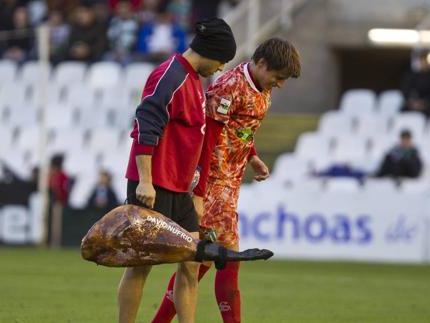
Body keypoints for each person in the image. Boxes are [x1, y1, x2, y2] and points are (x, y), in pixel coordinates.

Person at [151, 37, 301, 323]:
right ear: (261, 64)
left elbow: (241, 128)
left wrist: (252, 156)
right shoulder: (229, 86)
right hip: (211, 184)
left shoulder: (261, 86)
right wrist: (199, 192)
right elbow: (206, 139)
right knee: (216, 260)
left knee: (208, 262)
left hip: (230, 184)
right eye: (278, 77)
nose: (279, 84)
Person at [119, 17, 236, 323]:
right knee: (140, 265)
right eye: (222, 61)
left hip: (179, 189)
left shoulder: (194, 80)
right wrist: (145, 181)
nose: (221, 68)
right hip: (152, 186)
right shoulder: (170, 75)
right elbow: (145, 123)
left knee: (190, 264)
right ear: (210, 52)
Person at [401, 50, 430, 118]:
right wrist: (413, 103)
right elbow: (406, 90)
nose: (423, 63)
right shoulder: (412, 75)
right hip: (413, 105)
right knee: (403, 112)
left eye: (425, 61)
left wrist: (424, 103)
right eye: (421, 61)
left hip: (429, 107)